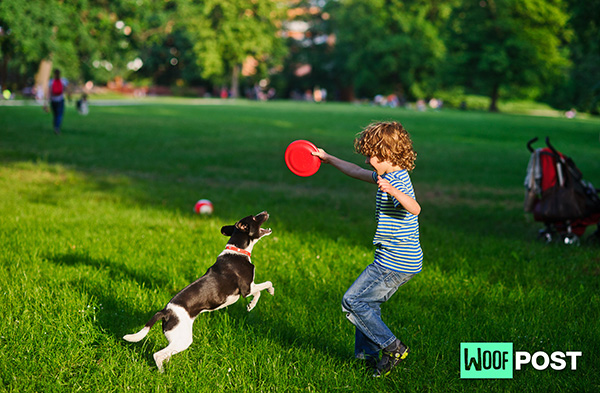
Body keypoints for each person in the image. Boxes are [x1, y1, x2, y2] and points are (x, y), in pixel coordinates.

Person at [312, 121, 423, 378]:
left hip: (395, 263)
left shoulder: (398, 181)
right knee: (368, 304)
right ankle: (367, 357)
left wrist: (393, 190)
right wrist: (328, 158)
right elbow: (354, 171)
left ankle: (392, 347)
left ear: (389, 155)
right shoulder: (385, 175)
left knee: (353, 301)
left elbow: (415, 208)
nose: (367, 161)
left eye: (372, 156)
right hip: (396, 259)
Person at [47, 69, 68, 134]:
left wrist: (46, 102)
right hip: (60, 100)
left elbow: (49, 92)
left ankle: (55, 127)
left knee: (55, 115)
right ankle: (57, 127)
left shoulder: (51, 81)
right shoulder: (63, 81)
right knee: (59, 115)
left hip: (53, 100)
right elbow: (66, 89)